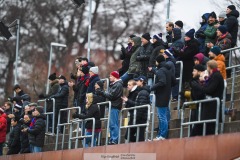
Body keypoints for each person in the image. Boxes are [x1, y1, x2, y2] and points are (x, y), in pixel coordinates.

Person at [191, 60, 224, 135]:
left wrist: (197, 86)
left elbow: (209, 90)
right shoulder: (214, 76)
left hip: (212, 107)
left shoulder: (216, 76)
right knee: (203, 128)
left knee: (208, 129)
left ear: (209, 67)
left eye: (207, 67)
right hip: (209, 108)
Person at [149, 55, 173, 140]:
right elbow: (174, 81)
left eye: (156, 61)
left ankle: (162, 135)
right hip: (167, 95)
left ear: (158, 62)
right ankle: (160, 135)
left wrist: (152, 87)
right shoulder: (168, 70)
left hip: (161, 96)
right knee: (164, 116)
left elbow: (162, 82)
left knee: (161, 116)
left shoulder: (160, 71)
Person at [96, 71, 123, 145]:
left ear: (115, 77)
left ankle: (114, 140)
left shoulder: (118, 85)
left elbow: (111, 96)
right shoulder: (115, 84)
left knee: (114, 124)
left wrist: (101, 92)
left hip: (114, 106)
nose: (109, 77)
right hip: (112, 106)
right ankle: (112, 139)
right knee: (111, 124)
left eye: (111, 76)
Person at [122, 76, 150, 142]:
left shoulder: (143, 92)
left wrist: (128, 101)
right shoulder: (140, 91)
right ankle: (142, 143)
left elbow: (140, 106)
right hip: (135, 117)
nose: (136, 82)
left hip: (140, 118)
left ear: (142, 82)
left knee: (139, 138)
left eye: (137, 81)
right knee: (128, 136)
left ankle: (144, 143)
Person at [189, 64, 206, 137]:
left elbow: (200, 94)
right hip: (195, 108)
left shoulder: (197, 83)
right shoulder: (194, 82)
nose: (192, 72)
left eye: (194, 71)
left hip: (201, 109)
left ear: (200, 72)